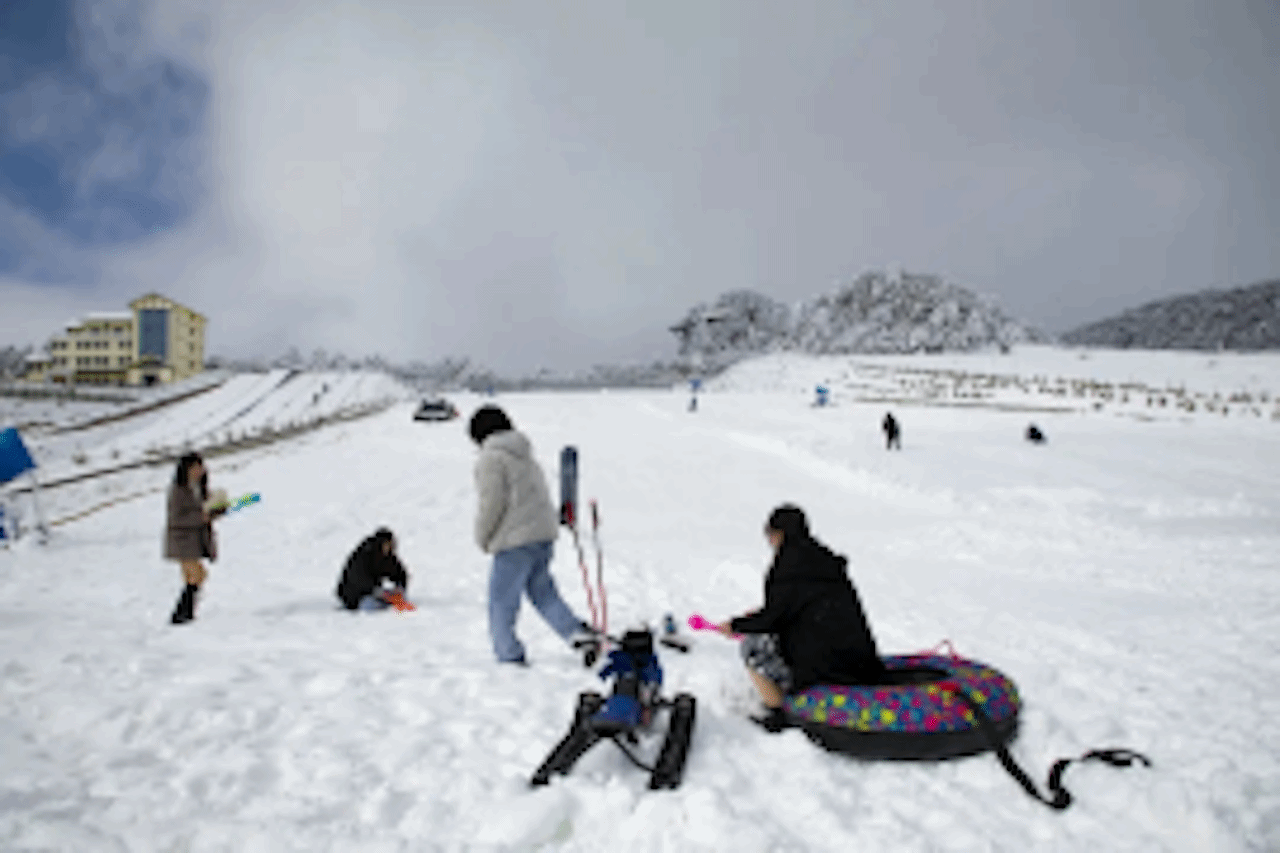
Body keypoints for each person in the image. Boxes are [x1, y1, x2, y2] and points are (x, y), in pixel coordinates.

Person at [713, 504, 885, 732]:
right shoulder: (823, 557)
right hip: (859, 660)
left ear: (778, 533)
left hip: (827, 668)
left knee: (752, 647)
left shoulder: (786, 566)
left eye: (768, 533)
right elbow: (800, 605)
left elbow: (774, 618)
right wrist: (762, 614)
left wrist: (735, 626)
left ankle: (779, 713)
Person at [469, 405, 597, 665]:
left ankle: (509, 655)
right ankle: (576, 634)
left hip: (514, 541)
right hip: (542, 535)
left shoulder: (491, 458)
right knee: (543, 593)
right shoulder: (524, 453)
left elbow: (491, 503)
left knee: (501, 603)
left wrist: (482, 536)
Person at [164, 452, 225, 625]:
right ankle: (182, 615)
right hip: (181, 540)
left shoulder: (200, 488)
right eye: (196, 467)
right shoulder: (178, 490)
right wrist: (202, 517)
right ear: (186, 469)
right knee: (197, 575)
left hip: (195, 540)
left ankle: (185, 614)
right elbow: (176, 518)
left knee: (195, 578)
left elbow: (206, 510)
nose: (200, 470)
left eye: (201, 466)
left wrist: (218, 509)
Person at [335, 527, 409, 610]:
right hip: (353, 594)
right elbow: (359, 579)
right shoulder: (363, 555)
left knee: (390, 603)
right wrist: (377, 591)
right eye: (386, 544)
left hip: (372, 593)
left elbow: (399, 573)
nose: (387, 547)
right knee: (371, 606)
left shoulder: (388, 557)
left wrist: (399, 588)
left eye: (390, 544)